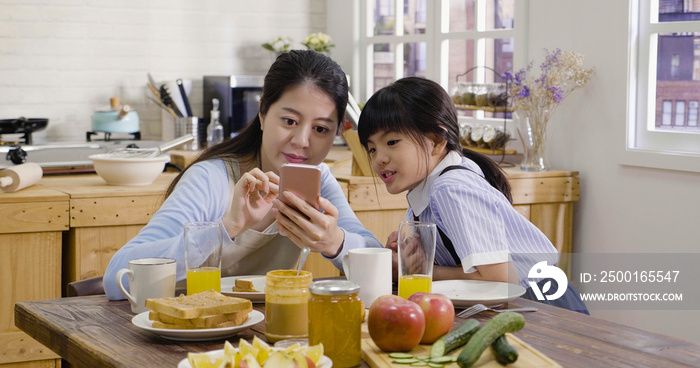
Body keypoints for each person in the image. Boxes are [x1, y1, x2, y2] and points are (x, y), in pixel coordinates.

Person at [104, 50, 381, 300]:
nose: (302, 141)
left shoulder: (319, 179)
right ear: (262, 113)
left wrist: (335, 242)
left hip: (265, 335)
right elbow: (116, 275)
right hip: (184, 334)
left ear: (337, 133)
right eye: (289, 121)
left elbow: (376, 257)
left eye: (321, 129)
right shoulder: (210, 178)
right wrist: (228, 228)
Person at [357, 77, 588, 313]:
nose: (379, 158)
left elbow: (501, 282)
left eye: (392, 142)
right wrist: (408, 260)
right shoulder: (426, 191)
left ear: (436, 141)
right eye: (372, 148)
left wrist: (417, 272)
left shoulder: (450, 189)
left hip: (542, 305)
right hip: (511, 304)